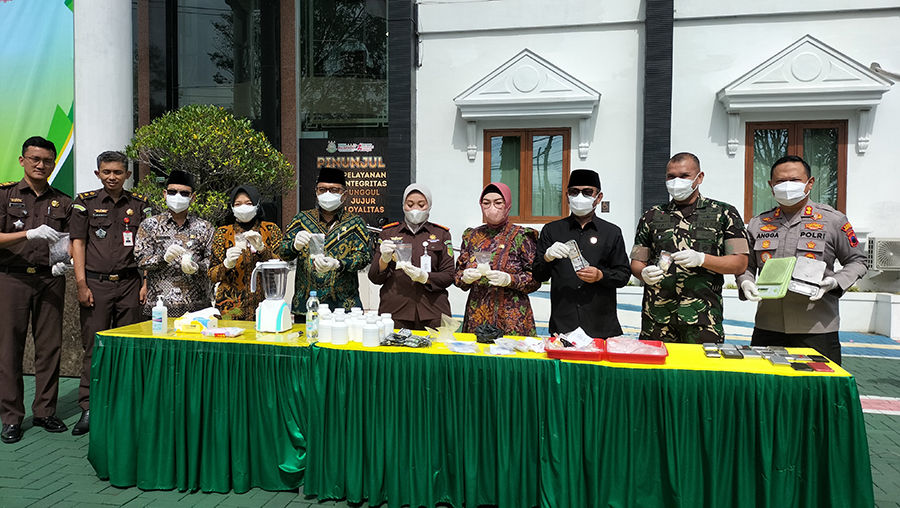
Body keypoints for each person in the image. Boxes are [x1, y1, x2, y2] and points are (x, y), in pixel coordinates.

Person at [736, 155, 866, 364]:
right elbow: (746, 265)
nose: (787, 186)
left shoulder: (833, 220)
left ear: (810, 183)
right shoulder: (758, 223)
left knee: (819, 384)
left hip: (817, 328)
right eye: (780, 181)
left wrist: (836, 282)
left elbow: (857, 260)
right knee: (767, 384)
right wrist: (745, 282)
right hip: (768, 326)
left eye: (795, 180)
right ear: (771, 186)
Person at [69, 151, 149, 436]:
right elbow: (77, 244)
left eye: (117, 172)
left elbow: (147, 247)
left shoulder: (140, 205)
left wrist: (145, 283)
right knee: (94, 348)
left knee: (130, 347)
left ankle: (126, 406)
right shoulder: (85, 203)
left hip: (130, 284)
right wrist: (81, 284)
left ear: (127, 175)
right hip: (96, 284)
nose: (112, 177)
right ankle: (89, 407)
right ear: (98, 174)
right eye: (106, 172)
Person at [630, 152, 749, 343]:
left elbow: (740, 263)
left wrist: (702, 259)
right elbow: (637, 262)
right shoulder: (651, 216)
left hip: (703, 318)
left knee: (702, 364)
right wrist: (643, 273)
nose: (676, 182)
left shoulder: (725, 213)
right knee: (656, 363)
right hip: (657, 319)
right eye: (671, 176)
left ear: (699, 177)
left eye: (684, 176)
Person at [0, 136, 72, 444]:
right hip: (12, 278)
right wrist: (28, 234)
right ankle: (11, 417)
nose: (41, 165)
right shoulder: (5, 195)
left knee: (49, 347)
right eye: (35, 159)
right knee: (8, 349)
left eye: (47, 160)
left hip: (50, 278)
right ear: (22, 161)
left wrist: (66, 261)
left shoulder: (64, 201)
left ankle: (44, 411)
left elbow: (70, 241)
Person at [534, 169, 630, 338]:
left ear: (598, 197)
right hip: (564, 323)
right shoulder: (552, 230)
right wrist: (547, 257)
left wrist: (600, 275)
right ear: (567, 196)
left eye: (587, 192)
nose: (580, 197)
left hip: (600, 324)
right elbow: (538, 274)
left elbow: (623, 275)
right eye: (574, 192)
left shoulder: (611, 232)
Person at [281, 167, 372, 316]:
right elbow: (283, 253)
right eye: (322, 190)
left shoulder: (355, 222)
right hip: (307, 305)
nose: (327, 194)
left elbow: (363, 257)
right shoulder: (301, 219)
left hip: (344, 307)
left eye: (334, 190)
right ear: (316, 193)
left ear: (344, 195)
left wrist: (338, 264)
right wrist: (294, 245)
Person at [454, 182, 541, 336]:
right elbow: (458, 276)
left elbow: (535, 279)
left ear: (507, 205)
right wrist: (465, 277)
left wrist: (510, 279)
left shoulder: (522, 236)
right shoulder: (472, 236)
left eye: (498, 202)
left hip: (512, 319)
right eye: (486, 203)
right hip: (477, 316)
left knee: (513, 352)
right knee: (478, 351)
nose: (491, 207)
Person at [368, 183, 454, 330]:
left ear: (429, 206)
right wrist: (384, 260)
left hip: (432, 311)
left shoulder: (441, 234)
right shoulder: (388, 233)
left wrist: (425, 277)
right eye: (410, 204)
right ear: (403, 206)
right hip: (396, 311)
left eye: (421, 204)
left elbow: (449, 275)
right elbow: (374, 278)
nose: (415, 209)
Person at [134, 170, 215, 317]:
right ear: (165, 194)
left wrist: (197, 267)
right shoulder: (150, 225)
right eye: (172, 192)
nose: (178, 196)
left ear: (193, 197)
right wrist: (163, 259)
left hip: (197, 307)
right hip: (159, 306)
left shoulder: (205, 227)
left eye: (184, 193)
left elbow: (213, 262)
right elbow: (140, 260)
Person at [208, 185, 283, 320]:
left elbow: (281, 266)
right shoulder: (223, 233)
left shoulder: (271, 230)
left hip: (265, 306)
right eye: (238, 204)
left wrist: (262, 249)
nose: (243, 207)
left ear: (257, 205)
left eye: (248, 203)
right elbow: (212, 275)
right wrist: (226, 264)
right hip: (230, 310)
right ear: (232, 207)